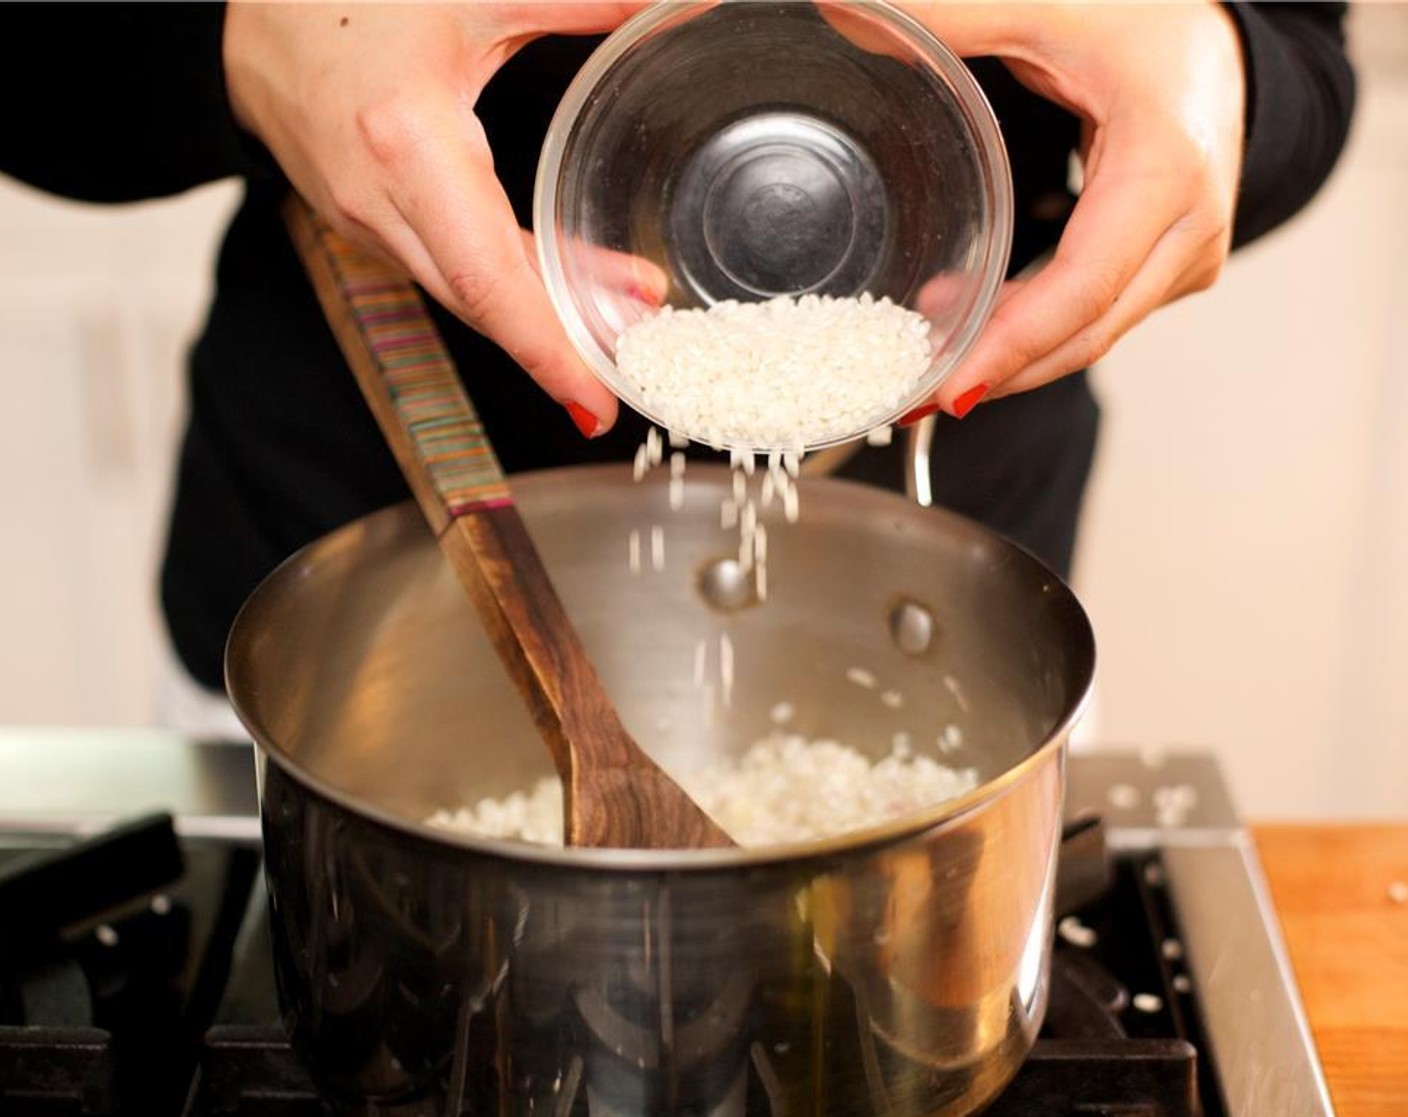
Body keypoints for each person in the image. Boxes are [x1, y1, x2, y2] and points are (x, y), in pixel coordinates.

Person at [0, 3, 1355, 716]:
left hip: (949, 567)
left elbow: (1302, 43)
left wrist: (1218, 70)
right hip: (339, 583)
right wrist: (238, 31)